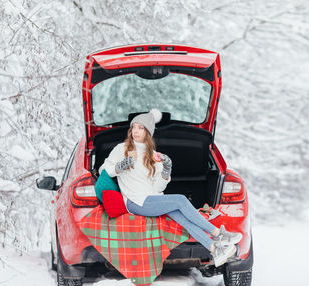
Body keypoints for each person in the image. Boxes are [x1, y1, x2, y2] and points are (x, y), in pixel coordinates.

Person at [99, 108, 242, 267]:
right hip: (134, 201)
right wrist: (122, 165)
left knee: (184, 219)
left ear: (148, 132)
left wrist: (166, 171)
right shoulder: (122, 149)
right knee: (180, 200)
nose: (136, 131)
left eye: (141, 128)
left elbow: (158, 186)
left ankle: (214, 249)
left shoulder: (152, 154)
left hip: (151, 199)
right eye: (134, 127)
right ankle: (218, 233)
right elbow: (102, 171)